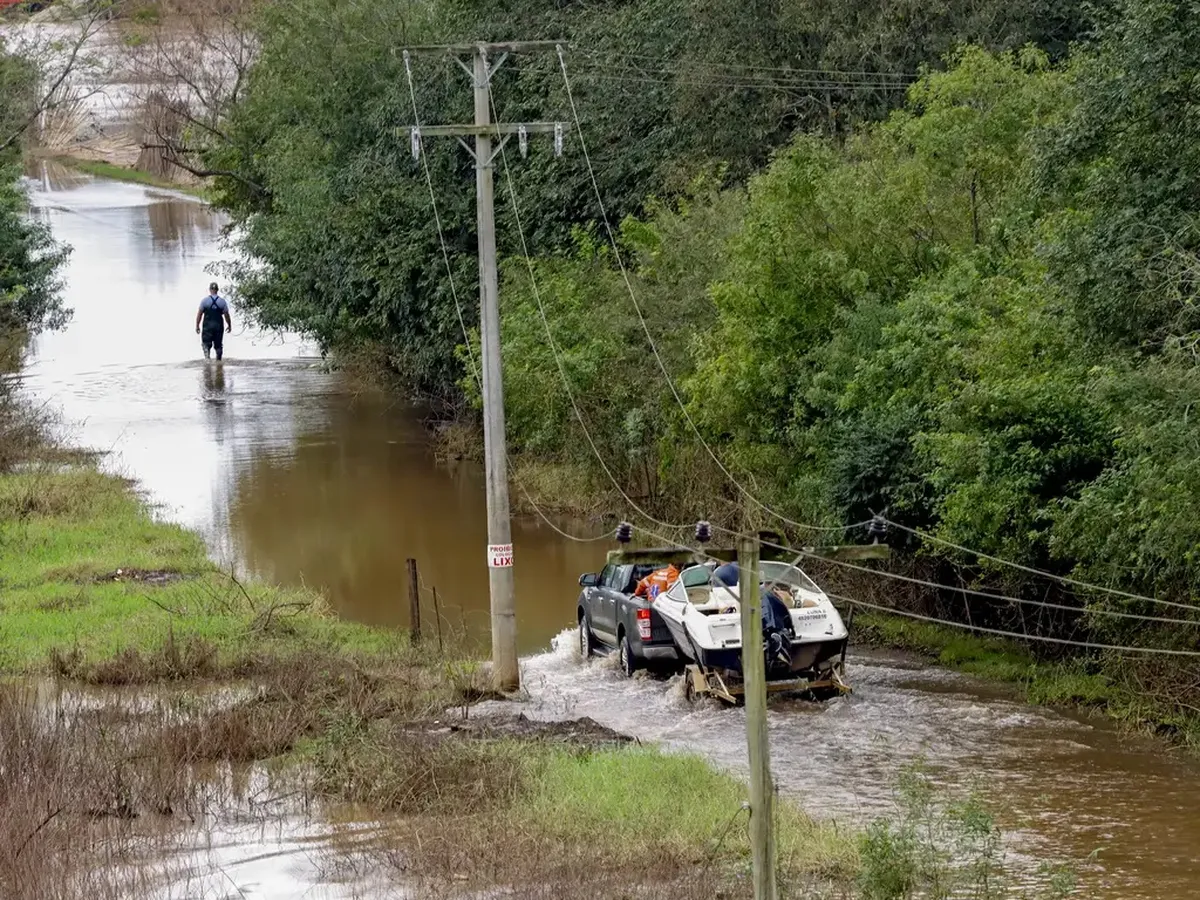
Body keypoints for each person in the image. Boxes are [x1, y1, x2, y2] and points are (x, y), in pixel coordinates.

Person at [195, 282, 231, 360]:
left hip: (207, 327)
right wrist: (229, 325)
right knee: (218, 346)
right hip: (218, 327)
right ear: (217, 290)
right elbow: (226, 315)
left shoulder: (204, 301)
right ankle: (219, 362)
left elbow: (199, 314)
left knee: (206, 345)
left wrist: (197, 325)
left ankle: (207, 360)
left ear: (210, 290)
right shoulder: (222, 302)